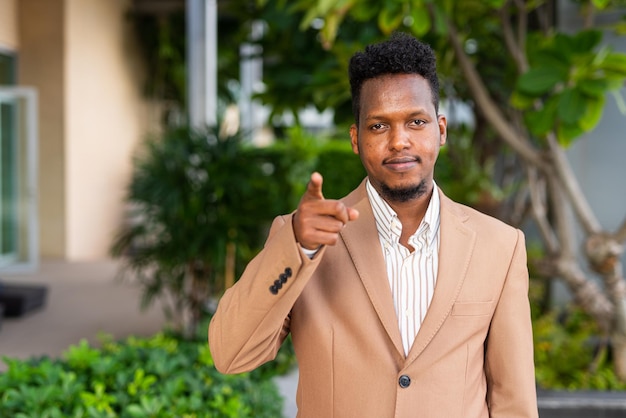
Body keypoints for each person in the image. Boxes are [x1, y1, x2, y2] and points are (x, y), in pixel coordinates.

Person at [209, 32, 538, 417]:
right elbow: (229, 355)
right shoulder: (304, 238)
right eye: (379, 126)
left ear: (441, 130)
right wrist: (297, 245)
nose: (399, 141)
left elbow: (513, 401)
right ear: (355, 138)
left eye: (416, 121)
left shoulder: (499, 245)